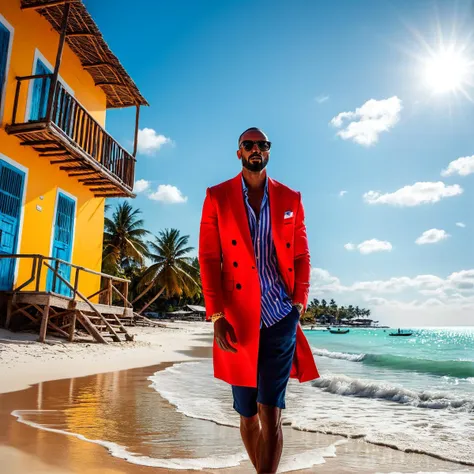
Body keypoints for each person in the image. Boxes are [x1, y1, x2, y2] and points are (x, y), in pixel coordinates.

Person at [198, 127, 320, 473]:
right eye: (248, 145)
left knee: (272, 412)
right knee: (247, 413)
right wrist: (217, 314)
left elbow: (301, 255)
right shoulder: (217, 196)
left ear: (268, 151)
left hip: (280, 316)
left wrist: (299, 304)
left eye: (262, 145)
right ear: (238, 152)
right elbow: (208, 257)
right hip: (237, 319)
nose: (256, 149)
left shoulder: (290, 199)